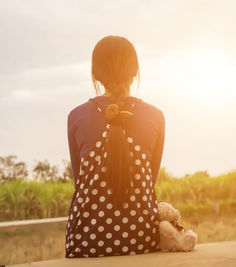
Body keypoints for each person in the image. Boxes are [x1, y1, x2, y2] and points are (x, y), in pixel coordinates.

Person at [65, 35, 165, 258]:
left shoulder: (76, 116)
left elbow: (78, 181)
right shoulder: (156, 117)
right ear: (135, 71)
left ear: (95, 74)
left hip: (86, 240)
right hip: (142, 237)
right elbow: (151, 181)